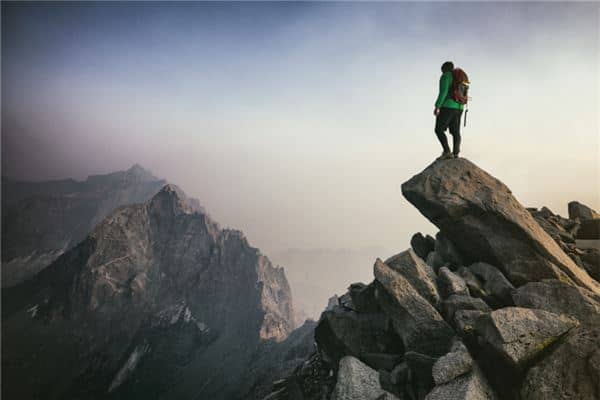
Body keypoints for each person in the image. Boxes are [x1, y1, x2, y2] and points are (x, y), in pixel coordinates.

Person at [434, 61, 464, 160]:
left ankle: (447, 151)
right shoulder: (460, 78)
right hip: (459, 107)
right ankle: (455, 154)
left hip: (447, 106)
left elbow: (443, 92)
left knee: (439, 129)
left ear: (444, 69)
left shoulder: (446, 76)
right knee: (455, 131)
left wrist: (437, 106)